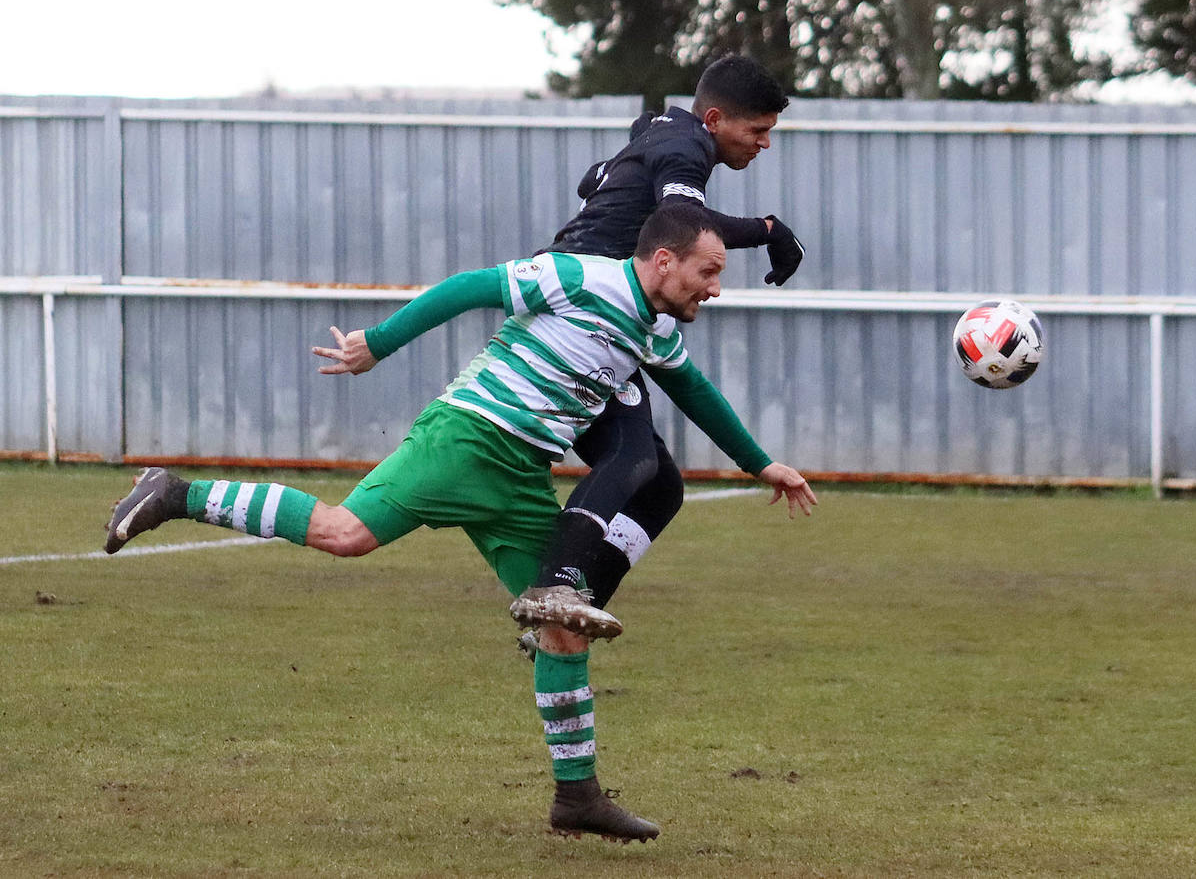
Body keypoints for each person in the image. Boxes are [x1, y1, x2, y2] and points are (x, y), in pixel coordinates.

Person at [102, 204, 817, 842]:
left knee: (563, 626)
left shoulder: (655, 326)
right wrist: (375, 343)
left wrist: (762, 465)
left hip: (519, 477)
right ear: (664, 259)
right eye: (709, 270)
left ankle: (577, 799)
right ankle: (176, 494)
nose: (716, 287)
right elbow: (471, 287)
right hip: (467, 438)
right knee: (344, 535)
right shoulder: (578, 277)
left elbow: (693, 389)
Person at [527, 54, 807, 636]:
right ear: (714, 119)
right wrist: (769, 232)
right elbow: (681, 214)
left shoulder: (667, 137)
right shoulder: (684, 149)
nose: (764, 145)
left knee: (660, 487)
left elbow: (598, 183)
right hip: (584, 319)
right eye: (757, 131)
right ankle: (554, 584)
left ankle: (565, 616)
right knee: (632, 458)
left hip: (601, 315)